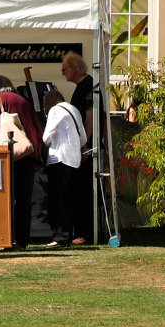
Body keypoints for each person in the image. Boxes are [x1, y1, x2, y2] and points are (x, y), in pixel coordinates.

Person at [0, 75, 43, 249]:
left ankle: (4, 237)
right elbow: (37, 129)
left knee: (4, 197)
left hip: (8, 156)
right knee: (24, 200)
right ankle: (22, 240)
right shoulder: (23, 100)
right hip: (28, 155)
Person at [40, 88, 85, 249]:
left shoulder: (55, 110)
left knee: (56, 200)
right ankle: (67, 235)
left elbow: (46, 137)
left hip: (59, 159)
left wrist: (48, 143)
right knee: (68, 200)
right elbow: (83, 138)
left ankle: (59, 237)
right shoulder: (74, 110)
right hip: (74, 160)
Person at [60, 50, 97, 244]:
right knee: (80, 189)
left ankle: (84, 233)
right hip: (84, 145)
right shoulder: (84, 86)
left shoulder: (87, 86)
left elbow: (89, 117)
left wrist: (84, 144)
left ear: (73, 69)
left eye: (64, 69)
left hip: (86, 147)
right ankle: (82, 231)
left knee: (82, 190)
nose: (63, 72)